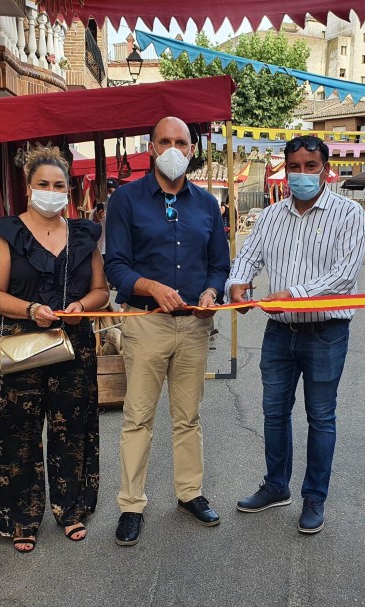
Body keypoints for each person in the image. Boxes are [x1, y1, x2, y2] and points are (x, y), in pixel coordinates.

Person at [226, 136, 365, 534]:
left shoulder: (348, 213)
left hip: (327, 331)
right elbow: (248, 256)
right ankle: (275, 486)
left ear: (326, 168)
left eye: (310, 166)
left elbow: (344, 275)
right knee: (274, 413)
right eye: (294, 167)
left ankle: (314, 497)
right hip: (279, 331)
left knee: (321, 417)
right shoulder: (270, 216)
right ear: (283, 169)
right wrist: (238, 283)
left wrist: (296, 295)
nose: (301, 174)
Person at [105, 116, 230, 546]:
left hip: (195, 326)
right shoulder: (126, 200)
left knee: (188, 417)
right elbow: (115, 266)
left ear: (192, 149)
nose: (174, 148)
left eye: (181, 141)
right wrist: (152, 287)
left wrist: (213, 292)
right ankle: (131, 504)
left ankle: (189, 493)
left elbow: (220, 265)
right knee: (138, 417)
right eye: (165, 141)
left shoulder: (207, 205)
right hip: (145, 323)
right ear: (151, 146)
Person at [0, 147, 109, 553]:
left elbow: (101, 290)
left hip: (74, 341)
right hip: (22, 343)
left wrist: (82, 308)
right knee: (16, 430)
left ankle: (71, 508)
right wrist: (30, 308)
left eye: (59, 185)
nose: (51, 192)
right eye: (43, 185)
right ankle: (20, 517)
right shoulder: (7, 234)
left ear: (68, 189)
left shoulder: (84, 234)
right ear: (28, 187)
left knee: (72, 426)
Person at [93, 177, 120, 256]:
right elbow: (91, 226)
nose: (108, 194)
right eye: (106, 191)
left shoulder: (122, 207)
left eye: (110, 191)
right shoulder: (98, 209)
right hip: (102, 250)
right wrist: (96, 219)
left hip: (117, 249)